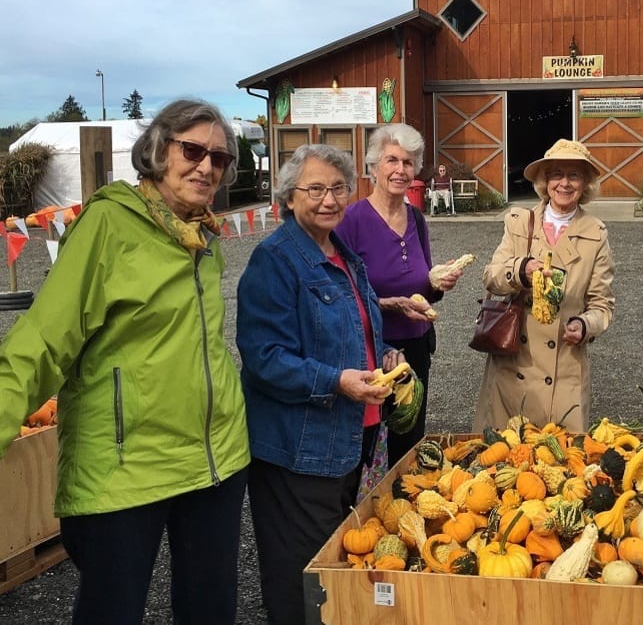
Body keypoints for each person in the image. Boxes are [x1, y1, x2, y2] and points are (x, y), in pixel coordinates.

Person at [0, 99, 250, 624]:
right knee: (111, 611)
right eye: (192, 150)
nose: (206, 166)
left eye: (220, 158)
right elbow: (43, 341)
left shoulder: (202, 234)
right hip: (124, 465)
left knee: (211, 611)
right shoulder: (108, 225)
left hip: (215, 460)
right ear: (159, 151)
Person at [236, 144, 405, 625]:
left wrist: (385, 355)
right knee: (303, 575)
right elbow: (264, 357)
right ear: (289, 197)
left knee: (336, 563)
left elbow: (357, 329)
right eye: (315, 189)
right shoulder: (275, 260)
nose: (329, 199)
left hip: (353, 439)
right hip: (300, 450)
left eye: (337, 188)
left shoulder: (344, 254)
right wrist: (337, 382)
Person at [336, 124, 463, 468]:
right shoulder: (350, 221)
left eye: (408, 162)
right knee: (365, 446)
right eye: (391, 160)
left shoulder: (417, 220)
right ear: (374, 167)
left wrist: (439, 284)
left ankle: (402, 508)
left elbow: (425, 288)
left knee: (408, 440)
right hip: (370, 349)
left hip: (416, 349)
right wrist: (386, 305)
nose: (400, 170)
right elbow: (337, 295)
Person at [472, 139, 615, 433]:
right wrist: (521, 270)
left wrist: (584, 324)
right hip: (514, 366)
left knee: (563, 466)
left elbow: (602, 304)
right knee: (506, 463)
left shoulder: (596, 234)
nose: (564, 183)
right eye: (556, 174)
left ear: (585, 183)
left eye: (574, 175)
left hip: (564, 369)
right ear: (544, 181)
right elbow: (491, 276)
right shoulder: (519, 223)